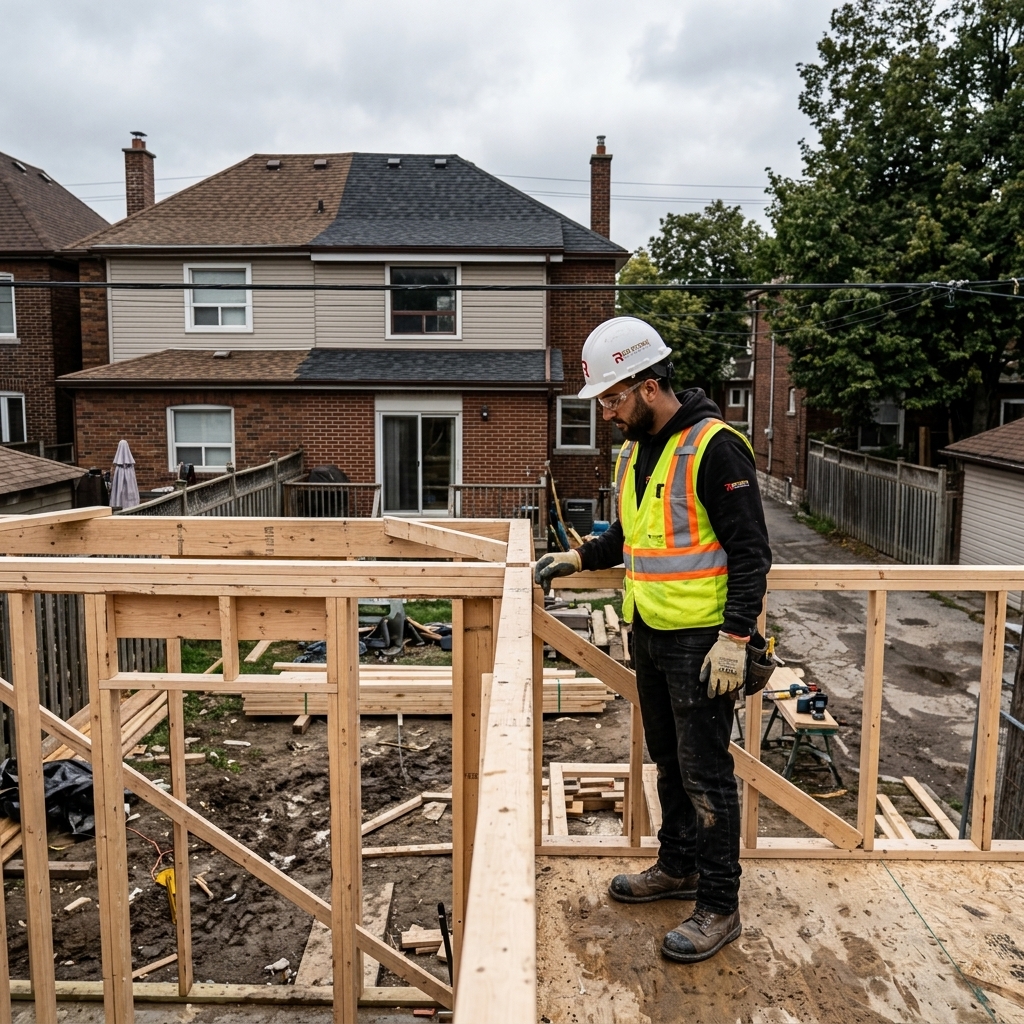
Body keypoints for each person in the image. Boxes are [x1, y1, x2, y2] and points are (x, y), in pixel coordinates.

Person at [536, 316, 772, 964]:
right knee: (667, 763)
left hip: (702, 645)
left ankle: (720, 907)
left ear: (647, 384)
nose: (607, 412)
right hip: (649, 631)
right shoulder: (639, 450)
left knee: (707, 776)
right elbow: (631, 535)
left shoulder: (714, 447)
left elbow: (752, 552)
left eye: (612, 398)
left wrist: (735, 637)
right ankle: (678, 867)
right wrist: (582, 558)